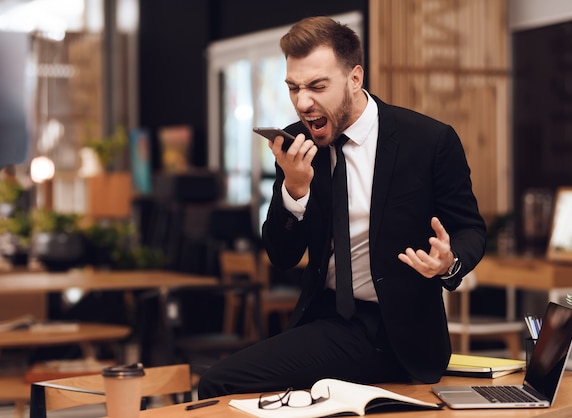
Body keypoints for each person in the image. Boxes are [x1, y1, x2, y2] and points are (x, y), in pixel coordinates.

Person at [197, 15, 486, 399]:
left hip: (395, 333)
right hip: (321, 320)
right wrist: (295, 192)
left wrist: (448, 263)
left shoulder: (428, 141)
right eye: (293, 88)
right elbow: (282, 257)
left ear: (355, 78)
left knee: (218, 382)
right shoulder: (297, 143)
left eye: (317, 86)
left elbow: (471, 229)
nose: (303, 102)